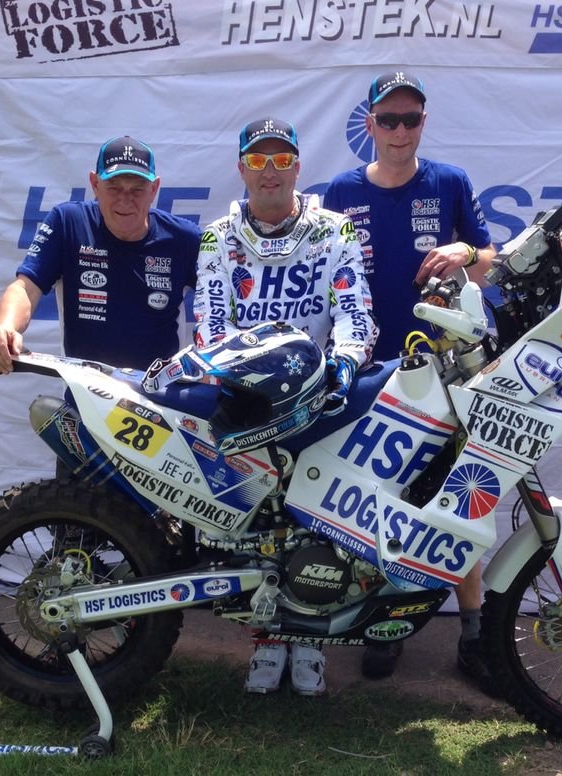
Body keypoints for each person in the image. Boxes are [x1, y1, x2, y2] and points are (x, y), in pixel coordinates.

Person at [323, 71, 498, 691]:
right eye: (389, 120)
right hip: (371, 371)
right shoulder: (340, 191)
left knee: (461, 494)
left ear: (424, 122)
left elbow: (492, 262)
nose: (400, 131)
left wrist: (465, 254)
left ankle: (473, 633)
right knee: (378, 499)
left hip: (446, 371)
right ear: (370, 124)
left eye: (411, 119)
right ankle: (383, 626)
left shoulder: (449, 182)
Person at [192, 117, 377, 696]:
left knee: (314, 517)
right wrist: (240, 375)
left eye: (280, 160)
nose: (269, 171)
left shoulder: (334, 229)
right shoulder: (218, 237)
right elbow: (210, 322)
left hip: (317, 395)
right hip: (245, 395)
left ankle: (311, 639)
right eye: (257, 160)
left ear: (297, 166)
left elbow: (354, 308)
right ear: (241, 168)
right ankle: (266, 639)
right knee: (257, 522)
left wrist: (346, 359)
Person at [0, 135, 201, 374]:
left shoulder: (184, 238)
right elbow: (25, 288)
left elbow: (221, 301)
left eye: (137, 189)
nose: (125, 200)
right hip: (85, 390)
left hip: (160, 392)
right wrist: (6, 328)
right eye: (114, 187)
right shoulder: (68, 223)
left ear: (154, 189)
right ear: (95, 184)